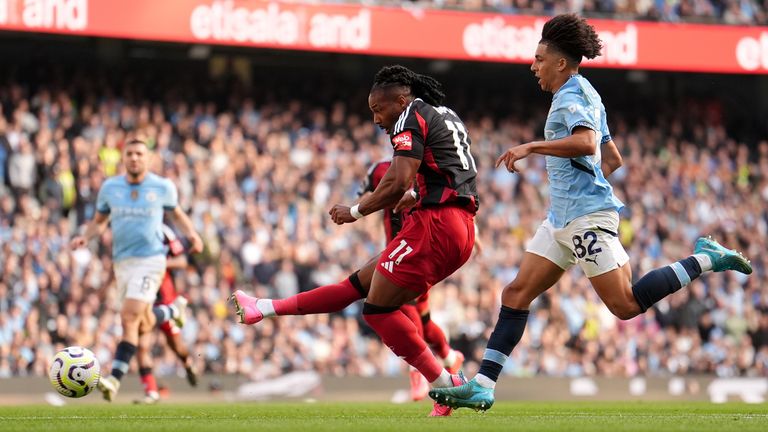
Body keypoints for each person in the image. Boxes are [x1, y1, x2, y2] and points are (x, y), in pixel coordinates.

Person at [429, 13, 753, 411]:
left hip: (584, 218)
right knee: (515, 293)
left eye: (539, 59)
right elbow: (610, 156)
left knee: (625, 306)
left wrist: (533, 148)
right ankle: (483, 384)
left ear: (560, 62)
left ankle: (706, 257)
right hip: (563, 218)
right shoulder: (586, 92)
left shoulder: (570, 96)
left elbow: (586, 144)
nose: (533, 67)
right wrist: (579, 185)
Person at [231, 65, 479, 416]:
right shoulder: (444, 114)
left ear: (401, 100)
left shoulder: (410, 118)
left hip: (435, 227)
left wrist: (355, 211)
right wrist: (416, 198)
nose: (377, 119)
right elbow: (449, 174)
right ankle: (264, 307)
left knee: (378, 311)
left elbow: (394, 183)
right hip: (455, 224)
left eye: (379, 109)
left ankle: (444, 383)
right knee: (355, 286)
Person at [71, 138, 204, 402]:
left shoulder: (162, 186)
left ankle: (114, 381)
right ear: (123, 158)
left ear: (148, 158)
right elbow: (99, 222)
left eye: (139, 154)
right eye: (129, 153)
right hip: (123, 263)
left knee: (130, 317)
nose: (134, 158)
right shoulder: (110, 188)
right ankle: (171, 310)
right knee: (139, 323)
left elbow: (177, 214)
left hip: (151, 260)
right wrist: (86, 236)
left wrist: (193, 235)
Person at [360, 160, 465, 401]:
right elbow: (365, 193)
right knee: (425, 322)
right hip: (401, 250)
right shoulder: (380, 170)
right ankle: (449, 357)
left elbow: (455, 199)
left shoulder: (428, 172)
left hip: (419, 250)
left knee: (403, 306)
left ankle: (418, 371)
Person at [134, 223, 198, 404]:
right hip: (142, 299)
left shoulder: (165, 232)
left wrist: (160, 263)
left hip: (166, 300)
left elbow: (183, 261)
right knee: (142, 345)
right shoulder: (129, 231)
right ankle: (151, 391)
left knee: (176, 346)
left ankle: (188, 363)